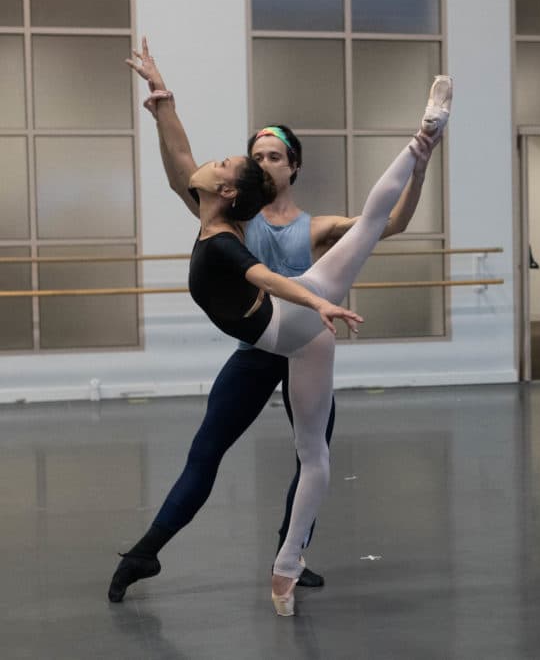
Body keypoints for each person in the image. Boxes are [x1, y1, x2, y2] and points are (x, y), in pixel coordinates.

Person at [111, 39, 453, 616]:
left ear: (292, 165)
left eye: (273, 154)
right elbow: (183, 165)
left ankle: (291, 558)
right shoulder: (229, 218)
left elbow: (388, 223)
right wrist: (162, 98)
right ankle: (150, 549)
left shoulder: (311, 227)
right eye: (254, 155)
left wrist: (424, 164)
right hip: (269, 340)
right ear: (240, 180)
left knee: (312, 453)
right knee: (208, 452)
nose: (261, 160)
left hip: (306, 324)